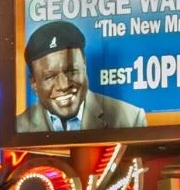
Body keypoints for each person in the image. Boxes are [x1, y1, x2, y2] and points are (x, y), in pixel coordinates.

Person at [15, 19, 148, 134]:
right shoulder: (18, 128)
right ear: (33, 84)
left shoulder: (130, 119)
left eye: (71, 71)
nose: (64, 85)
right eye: (50, 77)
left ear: (84, 65)